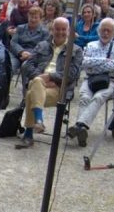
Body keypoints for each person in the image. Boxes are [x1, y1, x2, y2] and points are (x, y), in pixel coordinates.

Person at [17, 17, 82, 148]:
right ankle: (38, 122)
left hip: (58, 89)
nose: (60, 32)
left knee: (31, 94)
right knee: (36, 83)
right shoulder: (42, 45)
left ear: (69, 31)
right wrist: (41, 78)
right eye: (57, 29)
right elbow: (27, 65)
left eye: (64, 29)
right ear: (52, 30)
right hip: (39, 84)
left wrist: (50, 77)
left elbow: (71, 74)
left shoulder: (75, 50)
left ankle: (30, 133)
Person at [67, 17, 114, 147]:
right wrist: (105, 60)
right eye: (103, 30)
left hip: (111, 80)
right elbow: (84, 63)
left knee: (98, 97)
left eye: (109, 31)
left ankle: (79, 125)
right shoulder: (91, 45)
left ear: (113, 33)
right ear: (99, 31)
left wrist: (95, 63)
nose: (105, 33)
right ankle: (81, 129)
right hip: (90, 79)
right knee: (84, 97)